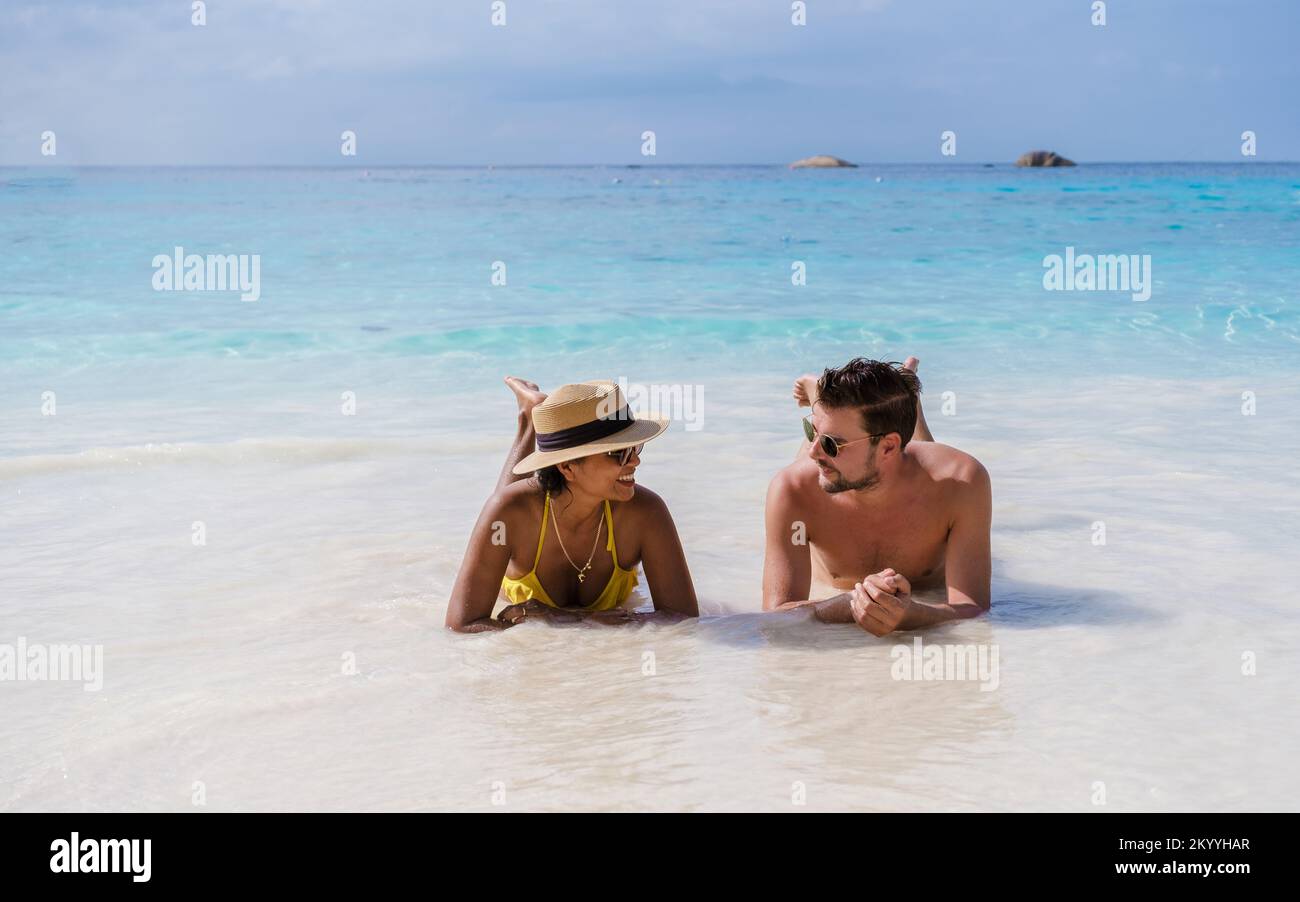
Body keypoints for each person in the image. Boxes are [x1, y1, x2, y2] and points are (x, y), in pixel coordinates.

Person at [446, 377, 699, 632]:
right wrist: (591, 621)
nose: (635, 462)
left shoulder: (647, 512)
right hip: (517, 514)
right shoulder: (508, 513)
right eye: (619, 453)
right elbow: (462, 625)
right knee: (505, 504)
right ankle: (529, 420)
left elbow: (682, 617)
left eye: (635, 447)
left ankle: (537, 415)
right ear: (567, 465)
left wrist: (563, 617)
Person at [762, 357, 991, 636]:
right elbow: (777, 615)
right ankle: (820, 400)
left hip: (908, 464)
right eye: (811, 431)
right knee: (813, 469)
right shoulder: (791, 491)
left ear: (888, 447)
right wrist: (852, 603)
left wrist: (912, 614)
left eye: (832, 443)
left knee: (927, 466)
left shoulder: (961, 482)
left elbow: (973, 608)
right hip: (854, 467)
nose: (813, 451)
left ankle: (910, 402)